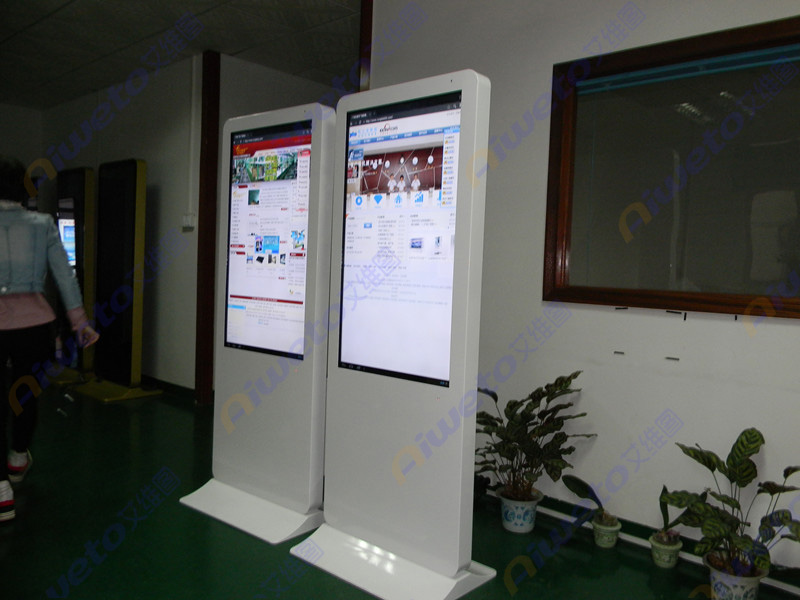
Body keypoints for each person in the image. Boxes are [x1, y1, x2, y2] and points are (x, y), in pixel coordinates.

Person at [0, 157, 99, 521]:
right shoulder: (42, 224)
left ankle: (1, 491)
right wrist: (80, 323)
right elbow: (64, 276)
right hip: (35, 327)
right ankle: (17, 457)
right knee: (25, 395)